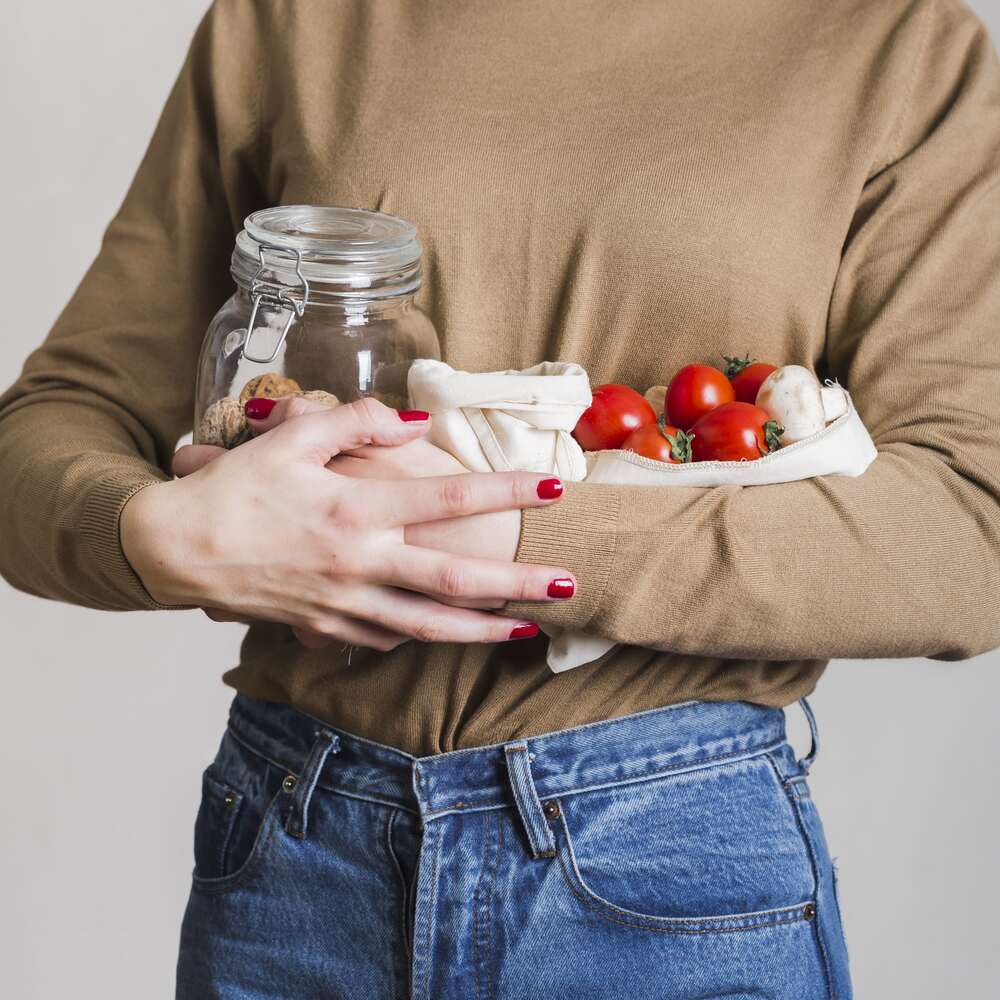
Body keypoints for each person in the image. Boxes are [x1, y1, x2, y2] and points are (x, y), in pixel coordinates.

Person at [2, 2, 998, 997]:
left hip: (670, 868)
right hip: (298, 851)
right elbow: (50, 427)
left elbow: (969, 524)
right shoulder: (292, 22)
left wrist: (509, 533)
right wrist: (153, 531)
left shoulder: (895, 45)